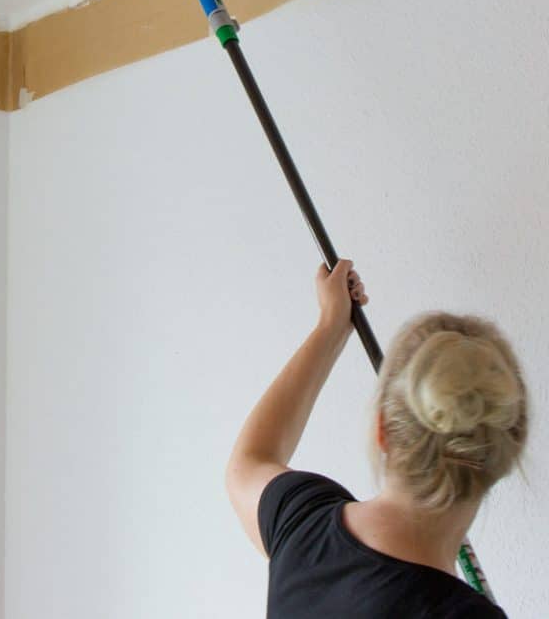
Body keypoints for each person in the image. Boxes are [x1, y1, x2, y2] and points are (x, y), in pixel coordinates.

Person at [225, 260, 527, 617]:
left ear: (382, 428)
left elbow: (249, 460)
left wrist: (330, 325)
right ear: (505, 455)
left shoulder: (303, 524)